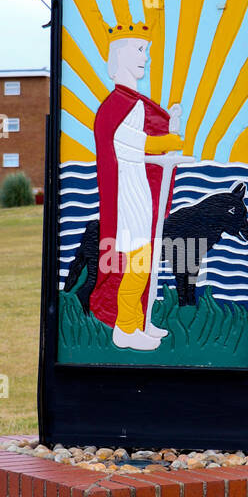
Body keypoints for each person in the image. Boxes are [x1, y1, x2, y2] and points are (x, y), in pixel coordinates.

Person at [89, 27, 184, 352]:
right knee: (135, 262)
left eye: (147, 50)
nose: (146, 57)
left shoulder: (133, 103)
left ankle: (140, 321)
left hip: (137, 190)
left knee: (143, 260)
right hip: (125, 196)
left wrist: (166, 141)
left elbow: (136, 148)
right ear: (121, 54)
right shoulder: (116, 105)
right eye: (140, 50)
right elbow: (127, 145)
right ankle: (125, 329)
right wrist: (166, 142)